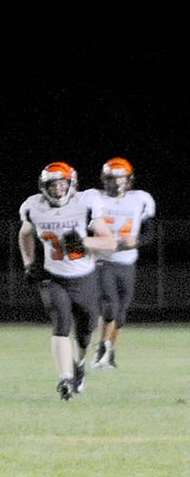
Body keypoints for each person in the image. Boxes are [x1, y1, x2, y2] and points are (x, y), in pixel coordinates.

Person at [18, 162, 115, 400]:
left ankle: (79, 364)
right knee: (60, 325)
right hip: (54, 277)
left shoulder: (85, 204)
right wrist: (29, 263)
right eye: (53, 184)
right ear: (44, 186)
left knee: (85, 333)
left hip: (84, 277)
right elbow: (25, 234)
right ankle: (65, 379)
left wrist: (85, 242)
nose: (58, 188)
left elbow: (109, 242)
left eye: (63, 183)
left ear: (72, 185)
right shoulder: (34, 207)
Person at [79, 157, 155, 369]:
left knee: (120, 314)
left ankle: (110, 352)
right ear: (105, 179)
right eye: (112, 178)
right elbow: (77, 221)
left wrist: (137, 241)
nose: (116, 183)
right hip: (102, 260)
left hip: (127, 261)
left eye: (120, 178)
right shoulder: (93, 197)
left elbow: (150, 233)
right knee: (110, 306)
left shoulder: (140, 199)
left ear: (129, 180)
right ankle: (101, 349)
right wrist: (87, 242)